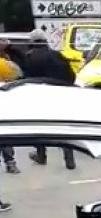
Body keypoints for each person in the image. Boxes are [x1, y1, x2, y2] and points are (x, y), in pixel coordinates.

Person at [9, 30, 77, 170]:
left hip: (40, 98)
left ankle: (41, 156)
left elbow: (26, 77)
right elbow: (71, 75)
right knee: (62, 127)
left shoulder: (31, 57)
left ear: (32, 42)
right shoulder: (57, 55)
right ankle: (69, 160)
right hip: (60, 95)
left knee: (40, 127)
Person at [0, 40, 22, 174]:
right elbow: (19, 76)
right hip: (4, 104)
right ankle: (10, 163)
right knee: (5, 135)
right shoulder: (7, 65)